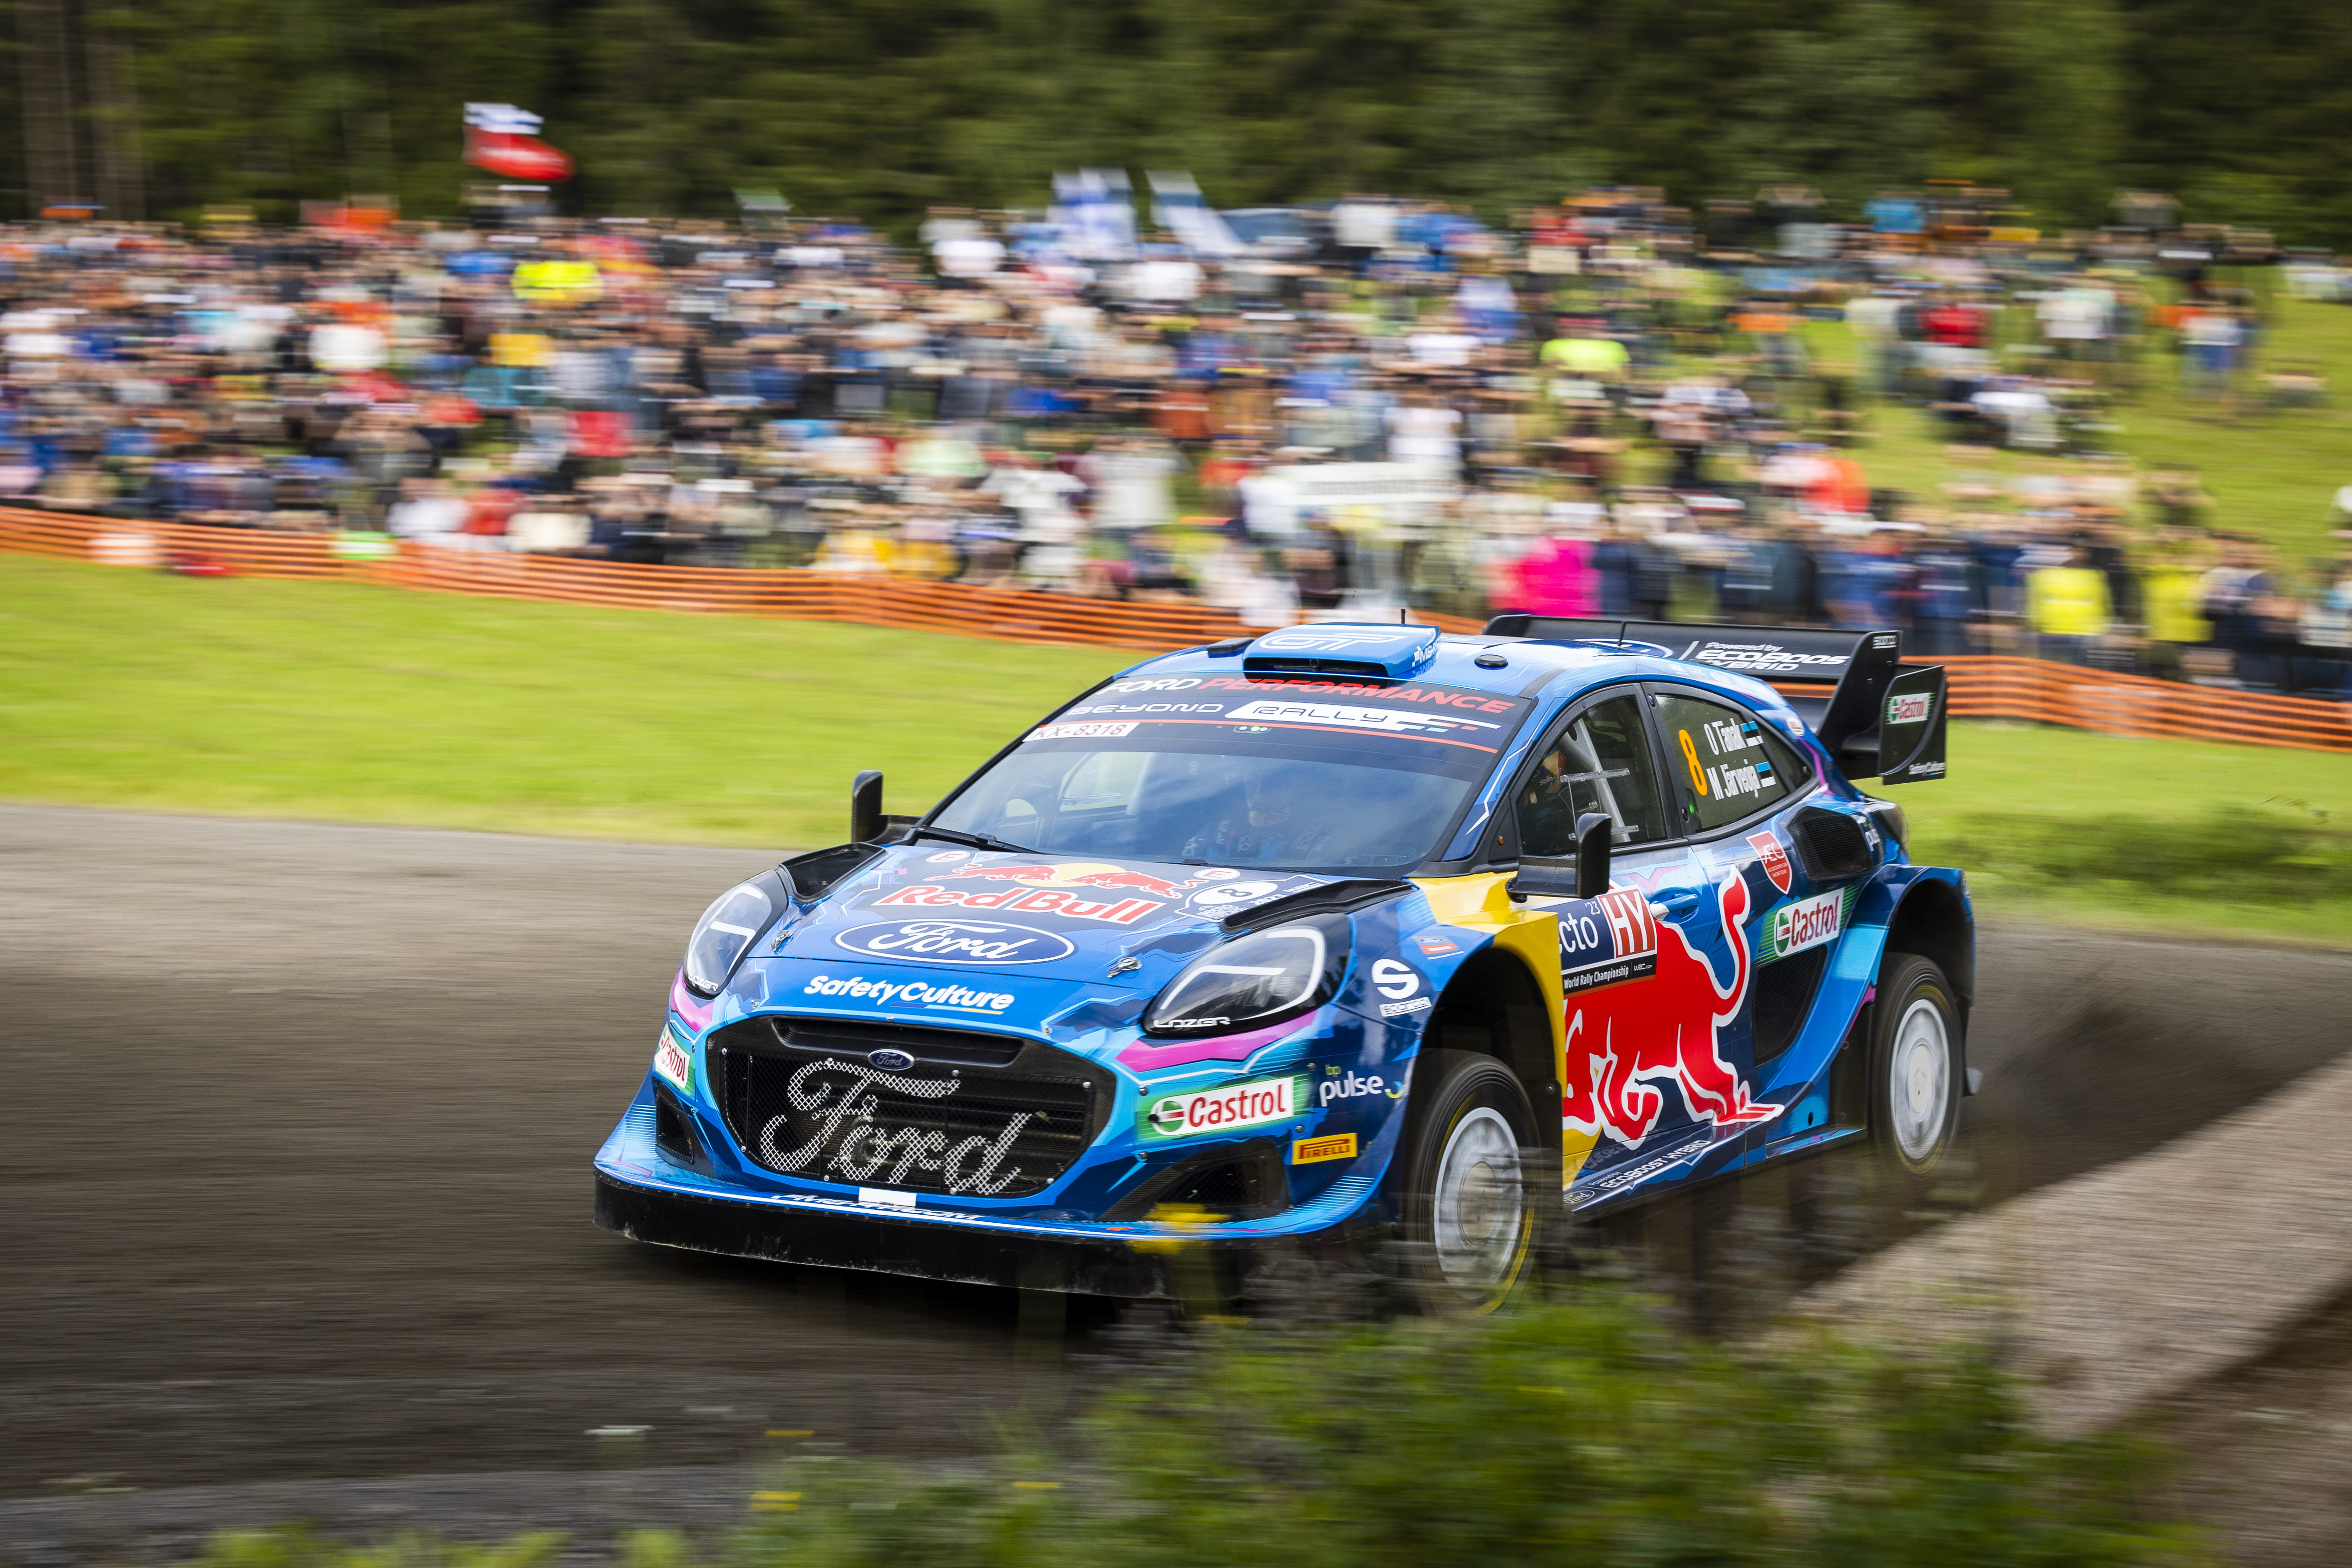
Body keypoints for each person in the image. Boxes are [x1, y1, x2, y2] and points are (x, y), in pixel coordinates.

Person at [2026, 541, 2112, 664]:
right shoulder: (2059, 573)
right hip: (2059, 632)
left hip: (2079, 634)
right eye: (2076, 551)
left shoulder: (2095, 575)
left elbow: (2104, 605)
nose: (2080, 554)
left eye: (2083, 551)